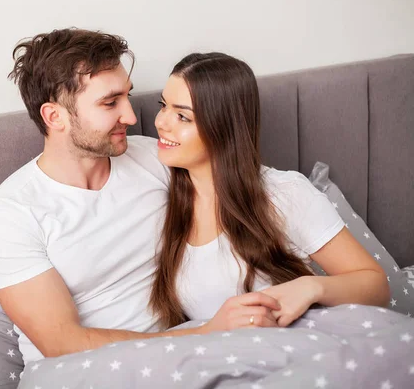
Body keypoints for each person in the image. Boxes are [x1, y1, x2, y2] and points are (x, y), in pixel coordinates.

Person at [0, 29, 284, 365]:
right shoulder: (9, 213)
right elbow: (61, 342)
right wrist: (207, 332)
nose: (132, 117)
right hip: (81, 370)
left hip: (184, 356)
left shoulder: (155, 158)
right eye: (110, 103)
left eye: (127, 96)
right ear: (55, 116)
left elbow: (242, 184)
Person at [149, 52, 391, 331]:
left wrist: (311, 286)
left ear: (223, 127)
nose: (160, 122)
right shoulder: (162, 195)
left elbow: (377, 287)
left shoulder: (285, 194)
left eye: (182, 116)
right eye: (162, 105)